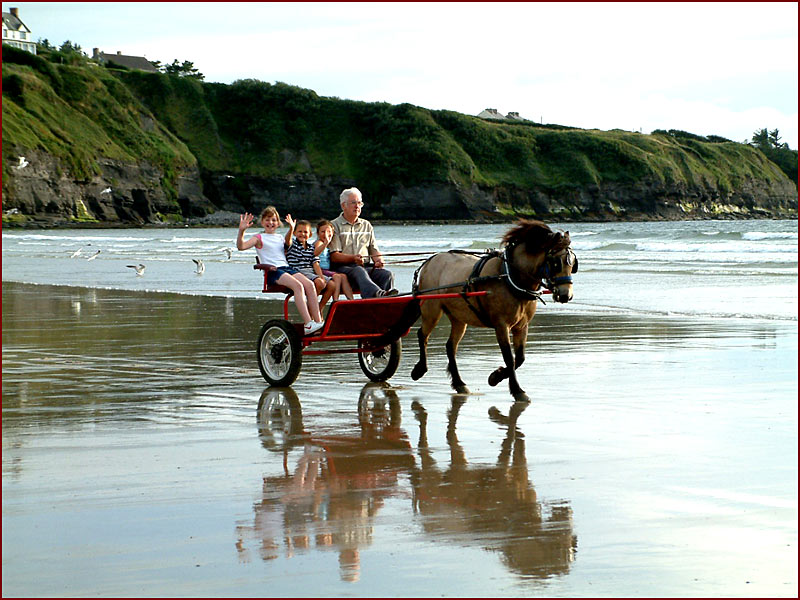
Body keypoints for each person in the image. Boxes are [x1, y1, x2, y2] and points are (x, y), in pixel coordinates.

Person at [236, 207, 324, 335]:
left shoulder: (279, 237)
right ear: (262, 222)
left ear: (278, 223)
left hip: (287, 268)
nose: (270, 223)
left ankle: (318, 321)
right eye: (267, 220)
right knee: (298, 286)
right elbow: (241, 246)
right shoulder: (259, 237)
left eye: (274, 220)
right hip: (273, 271)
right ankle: (308, 323)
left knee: (310, 285)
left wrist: (292, 229)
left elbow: (291, 246)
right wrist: (241, 231)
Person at [329, 187, 397, 299]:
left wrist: (379, 260)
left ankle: (385, 303)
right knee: (359, 270)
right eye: (353, 203)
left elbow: (374, 249)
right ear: (343, 205)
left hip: (364, 267)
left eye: (359, 203)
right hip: (342, 269)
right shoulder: (334, 226)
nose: (357, 206)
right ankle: (374, 296)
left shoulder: (367, 225)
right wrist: (353, 258)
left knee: (387, 274)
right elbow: (334, 256)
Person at [284, 214, 337, 310]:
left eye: (305, 232)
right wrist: (291, 228)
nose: (302, 234)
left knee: (332, 285)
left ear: (310, 235)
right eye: (299, 231)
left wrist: (321, 277)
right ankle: (312, 308)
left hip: (310, 272)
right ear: (295, 233)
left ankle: (319, 307)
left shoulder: (311, 248)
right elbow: (287, 240)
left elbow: (315, 263)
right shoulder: (293, 245)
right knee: (320, 283)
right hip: (298, 271)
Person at [314, 220, 355, 302]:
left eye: (329, 232)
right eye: (323, 232)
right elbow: (315, 253)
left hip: (327, 270)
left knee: (343, 276)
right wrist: (325, 243)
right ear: (318, 234)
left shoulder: (328, 245)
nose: (326, 234)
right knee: (337, 276)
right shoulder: (319, 243)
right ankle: (335, 299)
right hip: (320, 270)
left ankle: (351, 299)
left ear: (333, 233)